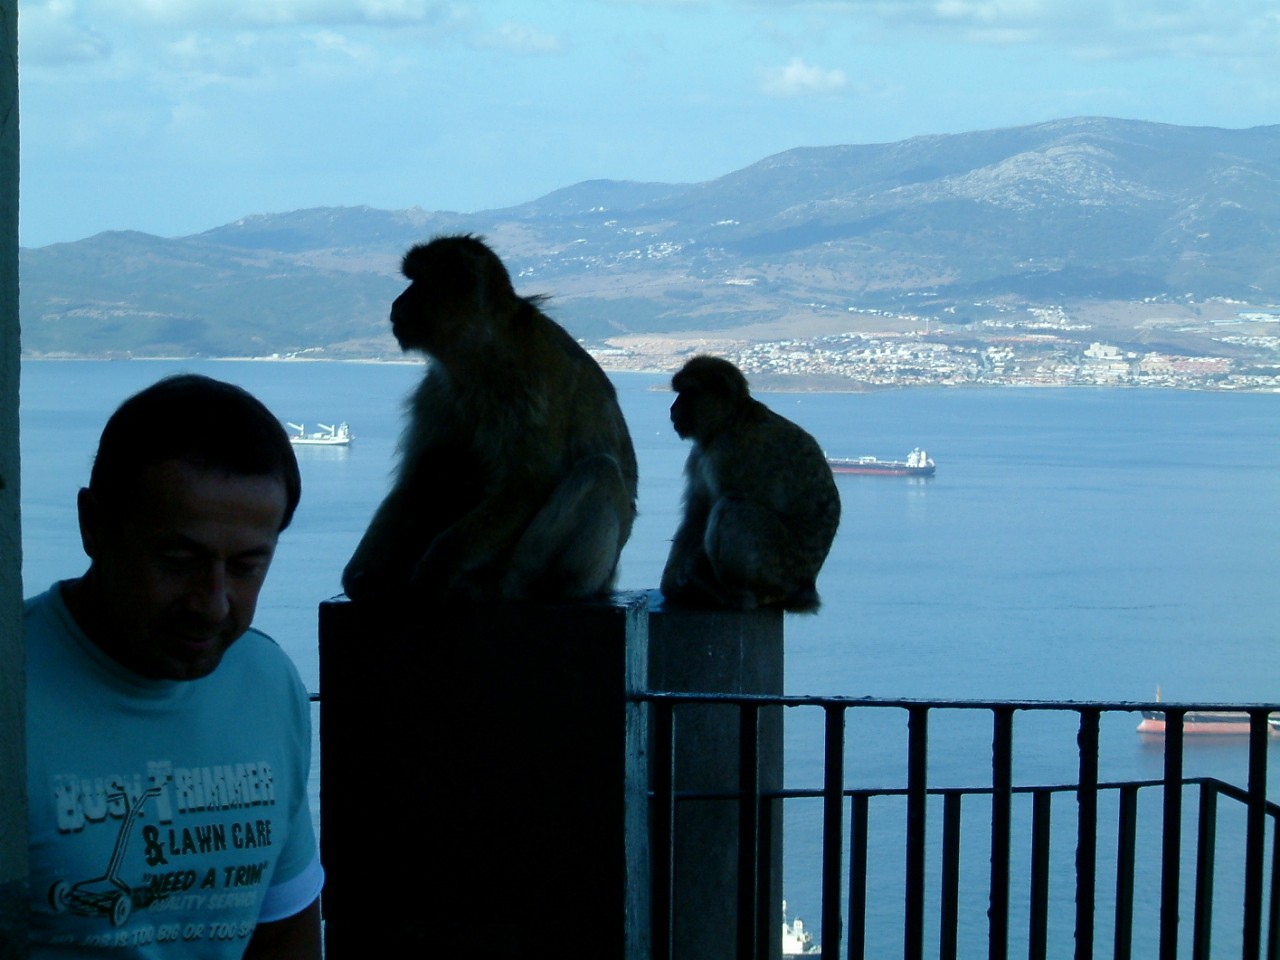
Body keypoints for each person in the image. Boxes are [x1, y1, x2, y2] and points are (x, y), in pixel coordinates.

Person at [24, 374, 323, 958]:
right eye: (178, 561)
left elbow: (285, 925)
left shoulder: (266, 682)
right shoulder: (14, 686)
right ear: (93, 526)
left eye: (246, 567)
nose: (213, 604)